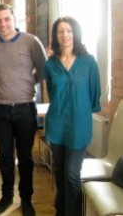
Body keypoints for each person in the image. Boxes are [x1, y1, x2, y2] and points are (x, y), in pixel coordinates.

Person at [0, 4, 47, 216]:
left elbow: (43, 69)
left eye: (7, 19)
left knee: (26, 157)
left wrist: (27, 82)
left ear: (14, 19)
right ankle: (6, 196)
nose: (3, 24)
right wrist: (6, 85)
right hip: (0, 110)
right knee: (6, 158)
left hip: (25, 108)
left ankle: (26, 199)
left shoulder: (31, 41)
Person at [44, 16, 101, 216]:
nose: (65, 35)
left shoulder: (88, 61)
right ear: (55, 35)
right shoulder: (50, 64)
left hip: (79, 127)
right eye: (60, 31)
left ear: (75, 33)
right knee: (59, 173)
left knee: (71, 175)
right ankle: (61, 210)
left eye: (69, 30)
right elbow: (51, 93)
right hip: (56, 125)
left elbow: (94, 94)